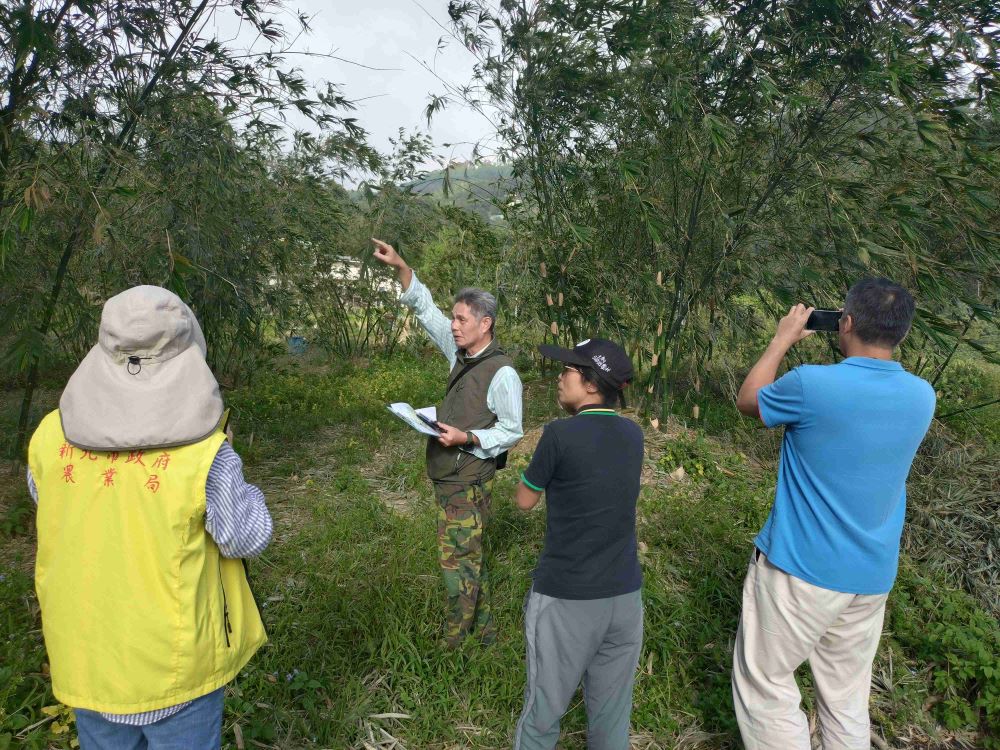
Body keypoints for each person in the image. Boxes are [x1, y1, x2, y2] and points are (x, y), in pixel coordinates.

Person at [26, 285, 271, 749]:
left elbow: (48, 502)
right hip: (175, 671)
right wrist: (245, 486)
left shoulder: (48, 437)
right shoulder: (205, 453)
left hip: (88, 661)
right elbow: (245, 538)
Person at [731, 278, 936, 750]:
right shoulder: (922, 396)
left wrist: (783, 338)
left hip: (801, 569)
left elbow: (748, 401)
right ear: (900, 332)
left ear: (844, 323)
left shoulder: (812, 383)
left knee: (766, 685)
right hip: (869, 576)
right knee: (846, 700)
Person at [372, 238, 524, 648]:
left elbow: (512, 429)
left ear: (485, 323)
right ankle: (487, 634)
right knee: (469, 558)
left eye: (461, 319)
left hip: (468, 480)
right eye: (454, 319)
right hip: (450, 477)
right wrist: (402, 268)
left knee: (456, 564)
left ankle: (453, 645)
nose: (453, 325)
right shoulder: (460, 353)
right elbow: (426, 311)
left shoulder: (502, 373)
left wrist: (467, 437)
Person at [513, 338, 643, 750]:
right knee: (611, 720)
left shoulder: (558, 435)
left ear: (590, 384)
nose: (560, 375)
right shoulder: (633, 434)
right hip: (624, 598)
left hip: (567, 597)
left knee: (543, 715)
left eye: (568, 369)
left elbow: (523, 500)